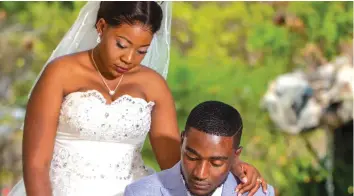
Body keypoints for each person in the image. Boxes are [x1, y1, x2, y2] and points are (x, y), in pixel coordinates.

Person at [8, 2, 267, 196]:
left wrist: (233, 167)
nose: (129, 58)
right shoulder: (60, 74)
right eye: (122, 44)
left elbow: (178, 163)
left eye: (142, 51)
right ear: (101, 27)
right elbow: (36, 164)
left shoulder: (153, 85)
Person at [124, 101, 275, 196]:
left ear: (236, 156)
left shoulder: (261, 194)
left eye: (216, 163)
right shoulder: (141, 192)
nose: (200, 174)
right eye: (192, 157)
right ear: (182, 141)